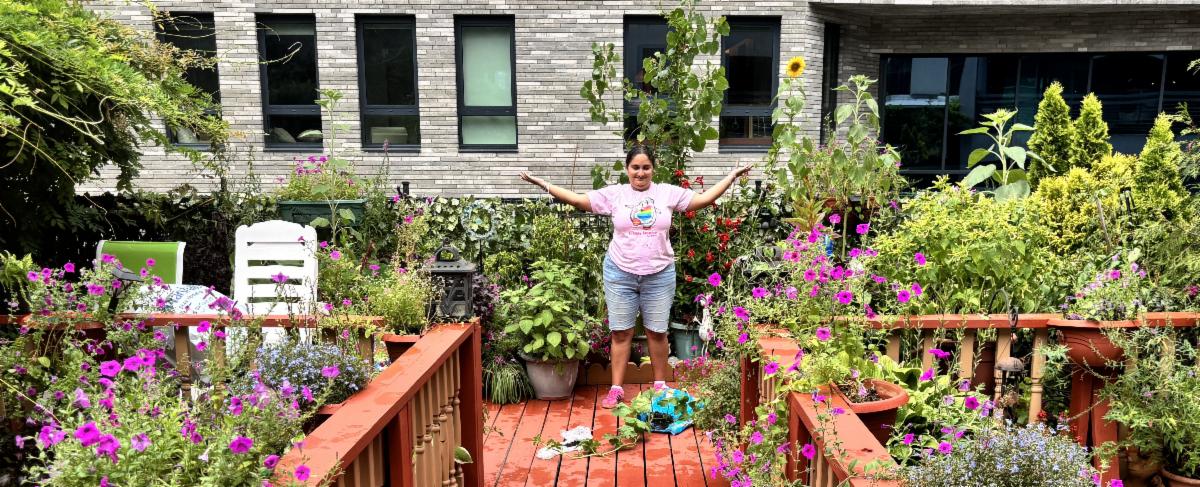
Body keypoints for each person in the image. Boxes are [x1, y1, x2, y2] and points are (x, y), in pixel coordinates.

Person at [520, 144, 752, 408]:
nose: (640, 173)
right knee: (621, 332)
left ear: (653, 169)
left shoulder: (666, 193)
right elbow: (577, 200)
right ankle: (616, 388)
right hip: (620, 272)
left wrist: (731, 177)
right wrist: (543, 184)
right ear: (627, 169)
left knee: (657, 333)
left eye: (646, 167)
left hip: (659, 275)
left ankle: (661, 388)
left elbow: (703, 200)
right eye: (635, 167)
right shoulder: (615, 195)